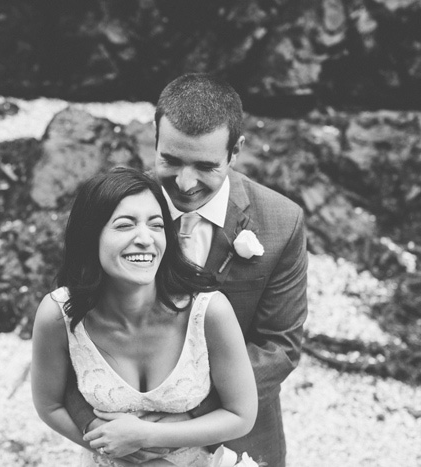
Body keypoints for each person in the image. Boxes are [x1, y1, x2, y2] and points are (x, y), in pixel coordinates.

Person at [65, 73, 308, 467]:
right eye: (171, 160)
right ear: (154, 139)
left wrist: (186, 414)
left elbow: (279, 345)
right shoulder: (114, 210)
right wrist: (99, 427)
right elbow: (72, 328)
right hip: (125, 444)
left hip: (239, 437)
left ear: (235, 151)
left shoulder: (282, 222)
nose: (185, 182)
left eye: (205, 166)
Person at [31, 167, 258, 466]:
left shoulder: (209, 312)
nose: (145, 239)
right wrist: (102, 441)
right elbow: (50, 404)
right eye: (125, 225)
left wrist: (147, 436)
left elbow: (240, 415)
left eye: (156, 224)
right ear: (90, 236)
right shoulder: (57, 314)